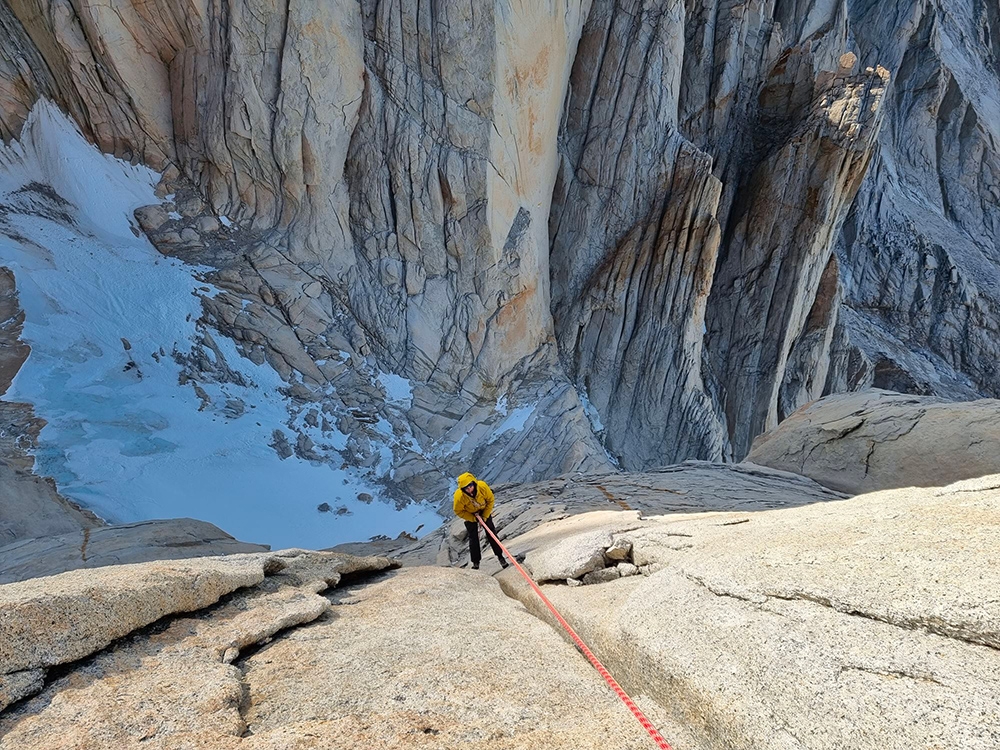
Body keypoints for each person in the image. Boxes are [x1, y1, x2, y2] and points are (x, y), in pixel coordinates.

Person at [453, 472, 509, 570]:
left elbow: (490, 500)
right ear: (462, 489)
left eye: (470, 486)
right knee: (473, 538)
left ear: (474, 483)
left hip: (484, 511)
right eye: (466, 488)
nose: (469, 489)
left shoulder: (482, 487)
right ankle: (476, 563)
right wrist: (472, 518)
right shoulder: (459, 496)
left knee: (491, 533)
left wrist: (485, 515)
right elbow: (458, 511)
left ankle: (500, 557)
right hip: (470, 514)